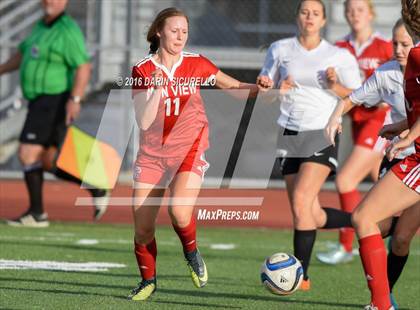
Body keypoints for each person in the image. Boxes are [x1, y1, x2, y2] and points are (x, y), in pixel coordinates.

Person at [129, 7, 258, 301]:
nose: (179, 36)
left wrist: (262, 89)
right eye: (174, 30)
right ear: (159, 31)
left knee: (178, 210)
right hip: (152, 156)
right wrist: (158, 91)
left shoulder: (196, 63)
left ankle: (191, 251)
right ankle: (148, 281)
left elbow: (234, 87)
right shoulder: (143, 70)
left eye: (184, 31)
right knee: (143, 228)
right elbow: (144, 121)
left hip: (188, 148)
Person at [257, 0, 361, 290]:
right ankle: (363, 220)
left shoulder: (339, 56)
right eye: (305, 12)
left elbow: (356, 96)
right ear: (297, 17)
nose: (310, 17)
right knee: (308, 213)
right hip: (289, 133)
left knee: (302, 199)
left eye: (316, 13)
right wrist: (275, 89)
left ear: (324, 20)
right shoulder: (280, 49)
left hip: (322, 130)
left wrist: (335, 86)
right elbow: (266, 95)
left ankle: (301, 276)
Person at [325, 0, 420, 308]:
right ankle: (383, 300)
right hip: (408, 152)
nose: (399, 49)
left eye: (404, 42)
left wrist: (409, 138)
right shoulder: (393, 70)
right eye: (395, 43)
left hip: (415, 157)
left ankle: (381, 303)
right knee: (400, 235)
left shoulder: (419, 57)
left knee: (364, 218)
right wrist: (402, 127)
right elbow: (353, 99)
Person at [0, 0, 109, 227]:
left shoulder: (67, 30)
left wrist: (75, 99)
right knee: (48, 160)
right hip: (38, 101)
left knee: (28, 153)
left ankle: (37, 213)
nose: (50, 1)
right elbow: (23, 54)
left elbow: (83, 66)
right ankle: (95, 188)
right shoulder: (41, 26)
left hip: (55, 100)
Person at [317, 0, 394, 264]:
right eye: (349, 10)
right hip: (358, 121)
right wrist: (331, 85)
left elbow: (389, 87)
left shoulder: (385, 45)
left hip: (381, 122)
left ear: (371, 13)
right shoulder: (340, 47)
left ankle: (346, 245)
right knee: (383, 183)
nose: (354, 14)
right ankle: (393, 231)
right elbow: (343, 91)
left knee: (345, 181)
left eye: (360, 9)